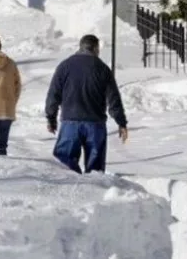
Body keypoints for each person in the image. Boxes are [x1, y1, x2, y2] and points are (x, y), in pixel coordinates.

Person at [45, 34, 128, 174]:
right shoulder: (102, 68)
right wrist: (121, 122)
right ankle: (93, 192)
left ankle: (71, 191)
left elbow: (53, 95)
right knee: (95, 170)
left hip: (70, 122)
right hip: (95, 124)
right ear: (95, 48)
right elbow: (113, 99)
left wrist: (50, 118)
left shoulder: (65, 66)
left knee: (65, 164)